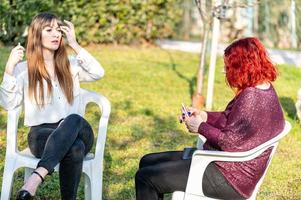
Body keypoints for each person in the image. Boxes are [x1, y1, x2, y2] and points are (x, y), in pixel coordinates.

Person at [135, 37, 285, 200]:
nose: (225, 71)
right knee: (147, 161)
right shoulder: (263, 88)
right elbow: (232, 120)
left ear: (243, 66)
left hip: (229, 178)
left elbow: (229, 143)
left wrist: (200, 127)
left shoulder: (251, 97)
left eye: (228, 66)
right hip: (226, 165)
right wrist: (204, 115)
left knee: (146, 178)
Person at [0, 12, 104, 200]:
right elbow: (9, 103)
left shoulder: (71, 65)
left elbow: (98, 72)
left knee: (73, 120)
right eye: (49, 30)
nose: (56, 34)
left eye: (58, 30)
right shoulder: (24, 69)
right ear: (37, 35)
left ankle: (36, 177)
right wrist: (9, 69)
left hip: (78, 128)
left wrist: (74, 44)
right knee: (75, 147)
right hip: (41, 136)